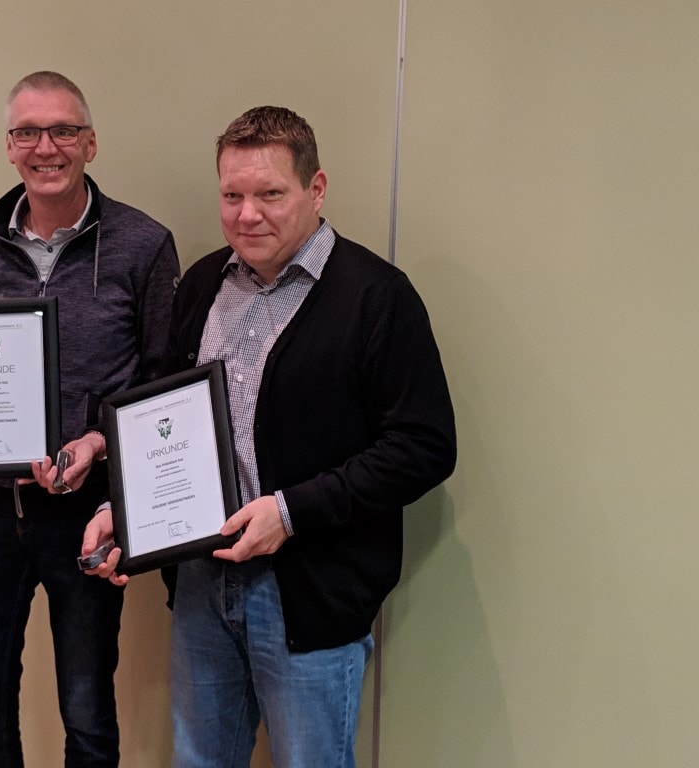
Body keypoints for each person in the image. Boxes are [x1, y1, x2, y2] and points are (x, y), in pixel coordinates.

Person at [83, 106, 457, 768]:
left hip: (307, 593)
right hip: (201, 582)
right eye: (232, 195)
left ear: (316, 189)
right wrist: (127, 509)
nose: (247, 215)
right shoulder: (203, 283)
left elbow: (424, 446)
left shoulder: (377, 297)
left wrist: (290, 513)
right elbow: (163, 418)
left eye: (270, 194)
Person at [0, 71, 179, 768]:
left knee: (87, 714)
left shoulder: (144, 244)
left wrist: (98, 442)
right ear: (9, 147)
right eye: (27, 132)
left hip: (85, 516)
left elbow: (162, 383)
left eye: (63, 130)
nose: (45, 147)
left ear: (90, 142)